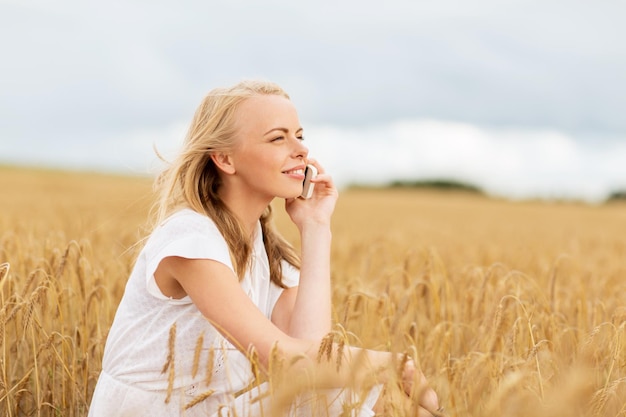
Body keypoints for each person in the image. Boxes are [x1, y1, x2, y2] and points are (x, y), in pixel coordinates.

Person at [88, 80, 439, 416]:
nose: (301, 148)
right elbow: (283, 360)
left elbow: (314, 359)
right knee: (376, 400)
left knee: (368, 398)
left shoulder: (263, 247)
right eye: (278, 138)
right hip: (159, 412)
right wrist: (393, 364)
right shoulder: (190, 239)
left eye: (300, 136)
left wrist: (316, 228)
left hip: (211, 409)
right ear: (225, 159)